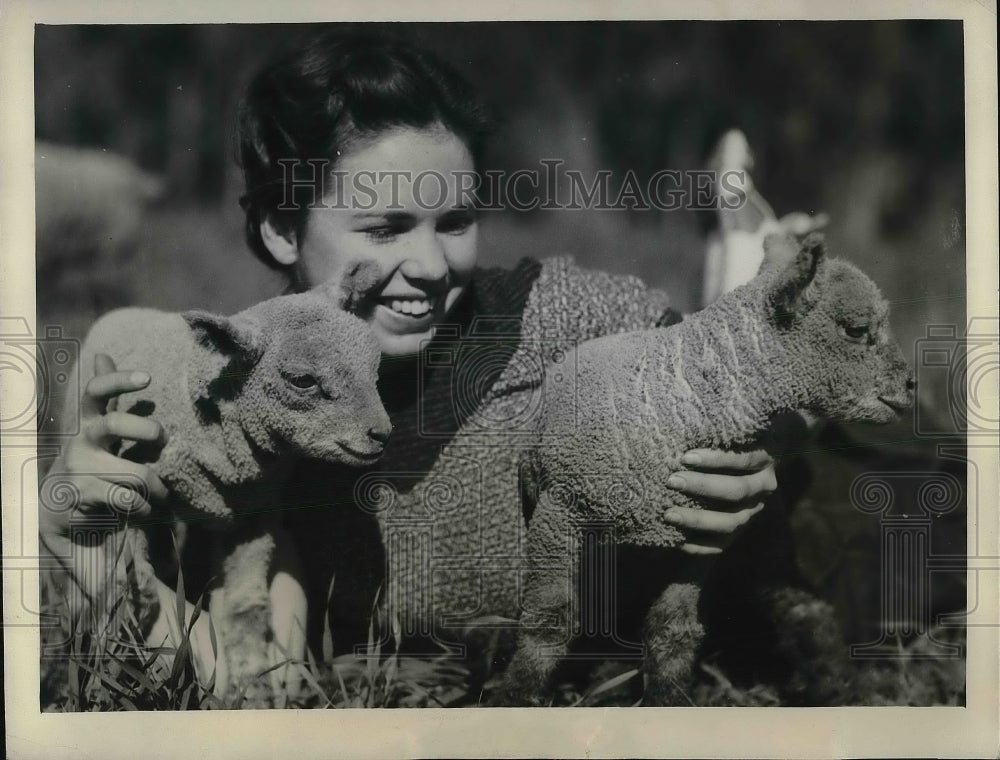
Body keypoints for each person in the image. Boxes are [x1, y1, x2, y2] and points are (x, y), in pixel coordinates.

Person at [39, 32, 819, 703]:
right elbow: (256, 685)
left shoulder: (551, 320)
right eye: (384, 227)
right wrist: (89, 545)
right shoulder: (240, 422)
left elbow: (738, 376)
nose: (428, 264)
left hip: (747, 578)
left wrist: (771, 444)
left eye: (454, 222)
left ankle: (747, 258)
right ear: (282, 228)